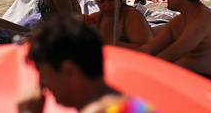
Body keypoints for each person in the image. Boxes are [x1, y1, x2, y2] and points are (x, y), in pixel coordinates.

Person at [18, 14, 147, 113]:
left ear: (69, 71)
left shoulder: (98, 110)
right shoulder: (128, 103)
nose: (42, 84)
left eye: (43, 74)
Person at [84, 0, 153, 49]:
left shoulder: (131, 17)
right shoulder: (96, 18)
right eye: (101, 1)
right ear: (95, 0)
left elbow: (145, 49)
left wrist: (106, 41)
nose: (107, 5)